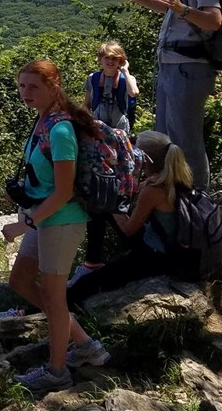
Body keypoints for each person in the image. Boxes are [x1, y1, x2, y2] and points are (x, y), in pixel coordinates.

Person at [0, 60, 109, 394]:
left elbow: (64, 191)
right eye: (22, 86)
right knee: (19, 280)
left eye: (34, 87)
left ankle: (57, 371)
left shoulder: (61, 130)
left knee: (54, 298)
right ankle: (85, 343)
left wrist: (23, 225)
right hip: (44, 218)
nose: (26, 93)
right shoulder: (43, 120)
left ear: (54, 85)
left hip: (61, 221)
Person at [106, 0, 222, 188]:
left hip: (189, 69)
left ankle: (196, 202)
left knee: (186, 141)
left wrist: (182, 8)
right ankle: (172, 194)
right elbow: (166, 8)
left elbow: (214, 20)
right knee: (165, 137)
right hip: (173, 68)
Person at [67, 131, 190, 307]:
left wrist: (109, 203)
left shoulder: (153, 190)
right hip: (169, 248)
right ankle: (92, 262)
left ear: (144, 159)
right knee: (103, 203)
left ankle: (45, 310)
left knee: (87, 285)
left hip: (157, 257)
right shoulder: (175, 178)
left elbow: (130, 230)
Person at [71, 43, 140, 285]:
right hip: (98, 142)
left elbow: (133, 93)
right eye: (107, 58)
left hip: (119, 145)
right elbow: (87, 105)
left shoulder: (125, 78)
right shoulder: (93, 79)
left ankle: (124, 252)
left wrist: (128, 70)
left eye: (115, 59)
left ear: (121, 60)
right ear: (100, 59)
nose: (110, 62)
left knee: (114, 198)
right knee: (102, 198)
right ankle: (103, 257)